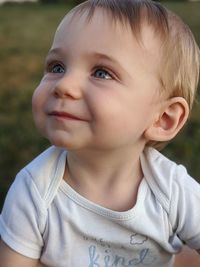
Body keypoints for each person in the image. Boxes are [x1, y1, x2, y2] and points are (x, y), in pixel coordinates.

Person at [0, 0, 199, 266]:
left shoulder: (172, 191)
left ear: (163, 119)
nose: (64, 85)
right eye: (57, 67)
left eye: (102, 73)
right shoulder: (34, 191)